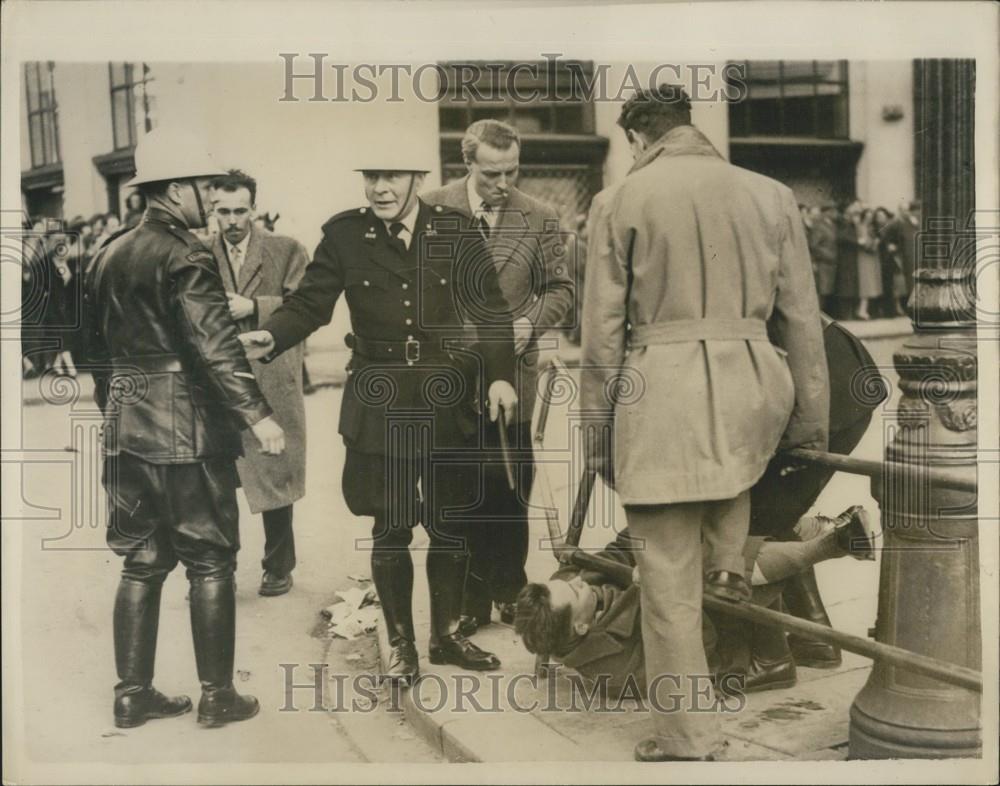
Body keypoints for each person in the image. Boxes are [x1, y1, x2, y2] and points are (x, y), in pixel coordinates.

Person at [580, 84, 829, 762]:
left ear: (639, 138)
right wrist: (810, 425)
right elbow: (803, 320)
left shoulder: (617, 201)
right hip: (753, 389)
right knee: (730, 474)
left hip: (662, 396)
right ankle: (728, 558)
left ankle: (687, 736)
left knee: (664, 577)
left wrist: (597, 437)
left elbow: (601, 337)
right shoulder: (772, 194)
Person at [239, 149, 519, 684]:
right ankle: (401, 645)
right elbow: (311, 304)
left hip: (446, 395)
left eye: (392, 176)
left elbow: (491, 310)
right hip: (380, 398)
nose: (380, 188)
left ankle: (446, 636)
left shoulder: (456, 230)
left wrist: (500, 376)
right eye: (371, 176)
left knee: (450, 523)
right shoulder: (345, 235)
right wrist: (272, 335)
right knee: (390, 526)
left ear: (418, 178)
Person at [84, 126, 286, 729]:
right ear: (175, 190)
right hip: (185, 430)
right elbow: (214, 347)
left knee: (141, 560)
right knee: (211, 560)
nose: (212, 195)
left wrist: (115, 413)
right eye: (204, 185)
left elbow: (91, 352)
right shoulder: (187, 254)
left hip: (126, 427)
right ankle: (217, 696)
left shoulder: (107, 252)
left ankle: (132, 695)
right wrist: (258, 415)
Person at [421, 119, 576, 632]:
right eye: (491, 174)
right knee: (458, 486)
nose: (503, 183)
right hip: (451, 375)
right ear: (466, 163)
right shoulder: (431, 208)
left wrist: (530, 322)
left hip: (514, 371)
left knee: (510, 484)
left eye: (512, 171)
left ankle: (508, 586)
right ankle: (469, 599)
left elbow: (560, 289)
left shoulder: (540, 216)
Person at [515, 505, 876, 699]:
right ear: (581, 626)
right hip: (720, 633)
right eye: (575, 591)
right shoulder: (615, 671)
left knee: (723, 514)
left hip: (681, 582)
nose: (578, 582)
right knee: (720, 562)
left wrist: (656, 525)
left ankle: (825, 546)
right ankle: (831, 542)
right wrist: (658, 586)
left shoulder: (570, 589)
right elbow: (697, 647)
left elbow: (620, 549)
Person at [209, 170, 310, 597]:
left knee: (274, 470)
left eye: (240, 211)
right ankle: (220, 567)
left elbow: (305, 307)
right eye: (223, 211)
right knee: (218, 479)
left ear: (254, 208)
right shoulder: (199, 253)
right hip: (219, 378)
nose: (232, 221)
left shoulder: (286, 249)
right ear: (212, 210)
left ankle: (278, 566)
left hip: (271, 373)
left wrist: (253, 306)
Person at [881, 199, 921, 311]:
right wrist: (891, 245)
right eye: (903, 210)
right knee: (908, 281)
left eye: (907, 210)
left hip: (915, 255)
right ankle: (911, 306)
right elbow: (885, 234)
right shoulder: (896, 223)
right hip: (904, 256)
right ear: (899, 211)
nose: (906, 212)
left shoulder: (914, 222)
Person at [853, 207, 883, 320]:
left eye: (871, 217)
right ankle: (862, 310)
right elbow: (863, 243)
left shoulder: (871, 227)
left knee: (870, 284)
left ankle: (863, 309)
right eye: (867, 216)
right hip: (865, 258)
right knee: (866, 284)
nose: (869, 219)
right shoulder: (861, 227)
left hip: (871, 258)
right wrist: (874, 243)